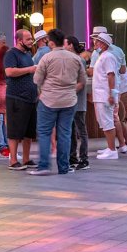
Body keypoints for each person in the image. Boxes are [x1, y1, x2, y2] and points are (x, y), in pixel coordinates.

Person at [30, 29, 86, 176]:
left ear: (52, 42)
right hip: (69, 100)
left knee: (44, 132)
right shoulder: (76, 59)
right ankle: (64, 167)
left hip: (49, 99)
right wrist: (71, 90)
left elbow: (37, 79)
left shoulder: (46, 58)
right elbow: (82, 81)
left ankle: (44, 166)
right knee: (65, 134)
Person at [4, 29, 38, 169]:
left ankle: (26, 159)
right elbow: (9, 71)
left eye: (31, 39)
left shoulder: (28, 54)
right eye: (28, 39)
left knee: (29, 132)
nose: (31, 41)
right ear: (19, 41)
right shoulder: (11, 54)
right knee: (15, 130)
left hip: (30, 98)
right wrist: (30, 69)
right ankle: (13, 160)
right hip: (16, 97)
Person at [91, 32, 124, 160]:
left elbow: (111, 75)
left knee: (108, 121)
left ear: (104, 44)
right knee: (105, 121)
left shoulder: (108, 57)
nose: (95, 43)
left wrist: (111, 93)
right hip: (101, 94)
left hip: (104, 94)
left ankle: (112, 149)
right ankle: (110, 147)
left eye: (98, 41)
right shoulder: (103, 56)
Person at [66, 37, 90, 171]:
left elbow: (82, 80)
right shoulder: (73, 59)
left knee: (81, 130)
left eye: (65, 44)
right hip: (71, 100)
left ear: (70, 45)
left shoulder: (78, 60)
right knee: (71, 129)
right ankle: (73, 157)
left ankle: (84, 158)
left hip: (77, 101)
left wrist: (70, 90)